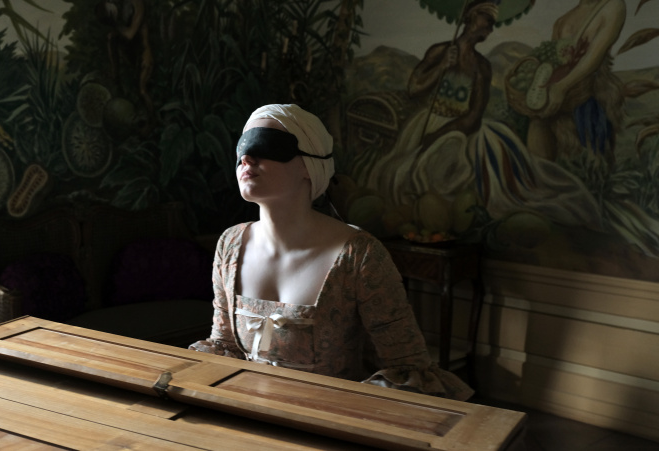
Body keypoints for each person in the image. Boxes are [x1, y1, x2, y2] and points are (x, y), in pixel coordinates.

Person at [189, 104, 473, 401]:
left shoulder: (358, 255)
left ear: (309, 165)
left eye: (265, 145)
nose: (246, 158)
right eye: (241, 149)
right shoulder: (230, 244)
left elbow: (408, 368)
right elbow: (225, 346)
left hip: (327, 416)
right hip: (247, 411)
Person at [362, 0, 603, 229]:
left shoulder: (482, 67)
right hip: (425, 122)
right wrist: (441, 67)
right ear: (471, 16)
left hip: (461, 131)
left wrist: (439, 135)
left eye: (492, 23)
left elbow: (474, 116)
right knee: (397, 174)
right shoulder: (439, 51)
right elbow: (414, 89)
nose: (489, 27)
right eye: (486, 19)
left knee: (458, 172)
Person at [524, 0, 625, 168]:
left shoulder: (613, 6)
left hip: (593, 93)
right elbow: (553, 62)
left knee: (592, 161)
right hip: (561, 97)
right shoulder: (562, 21)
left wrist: (561, 88)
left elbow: (593, 58)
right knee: (539, 123)